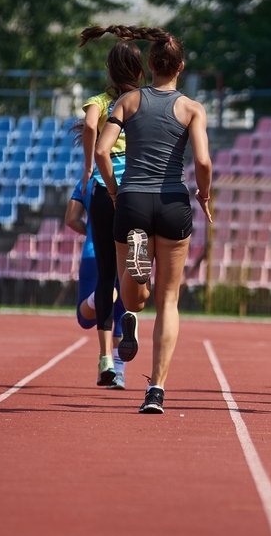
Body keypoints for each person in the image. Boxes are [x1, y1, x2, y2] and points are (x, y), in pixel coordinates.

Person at [92, 25, 212, 415]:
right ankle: (156, 389)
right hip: (172, 200)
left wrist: (112, 189)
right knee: (169, 300)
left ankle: (137, 271)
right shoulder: (192, 108)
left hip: (131, 201)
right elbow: (203, 161)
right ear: (180, 66)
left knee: (132, 299)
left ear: (151, 65)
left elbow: (101, 152)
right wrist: (204, 194)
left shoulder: (127, 101)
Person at [78, 32, 146, 386]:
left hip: (105, 189)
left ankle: (105, 358)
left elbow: (90, 125)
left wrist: (89, 165)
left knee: (105, 274)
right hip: (137, 189)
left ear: (109, 68)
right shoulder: (142, 101)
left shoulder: (100, 101)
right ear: (139, 69)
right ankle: (122, 358)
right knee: (132, 275)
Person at [64, 177, 129, 389]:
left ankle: (96, 297)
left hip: (93, 254)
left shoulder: (87, 182)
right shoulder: (129, 178)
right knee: (120, 313)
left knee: (85, 318)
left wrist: (93, 233)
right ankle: (119, 373)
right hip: (124, 254)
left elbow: (71, 218)